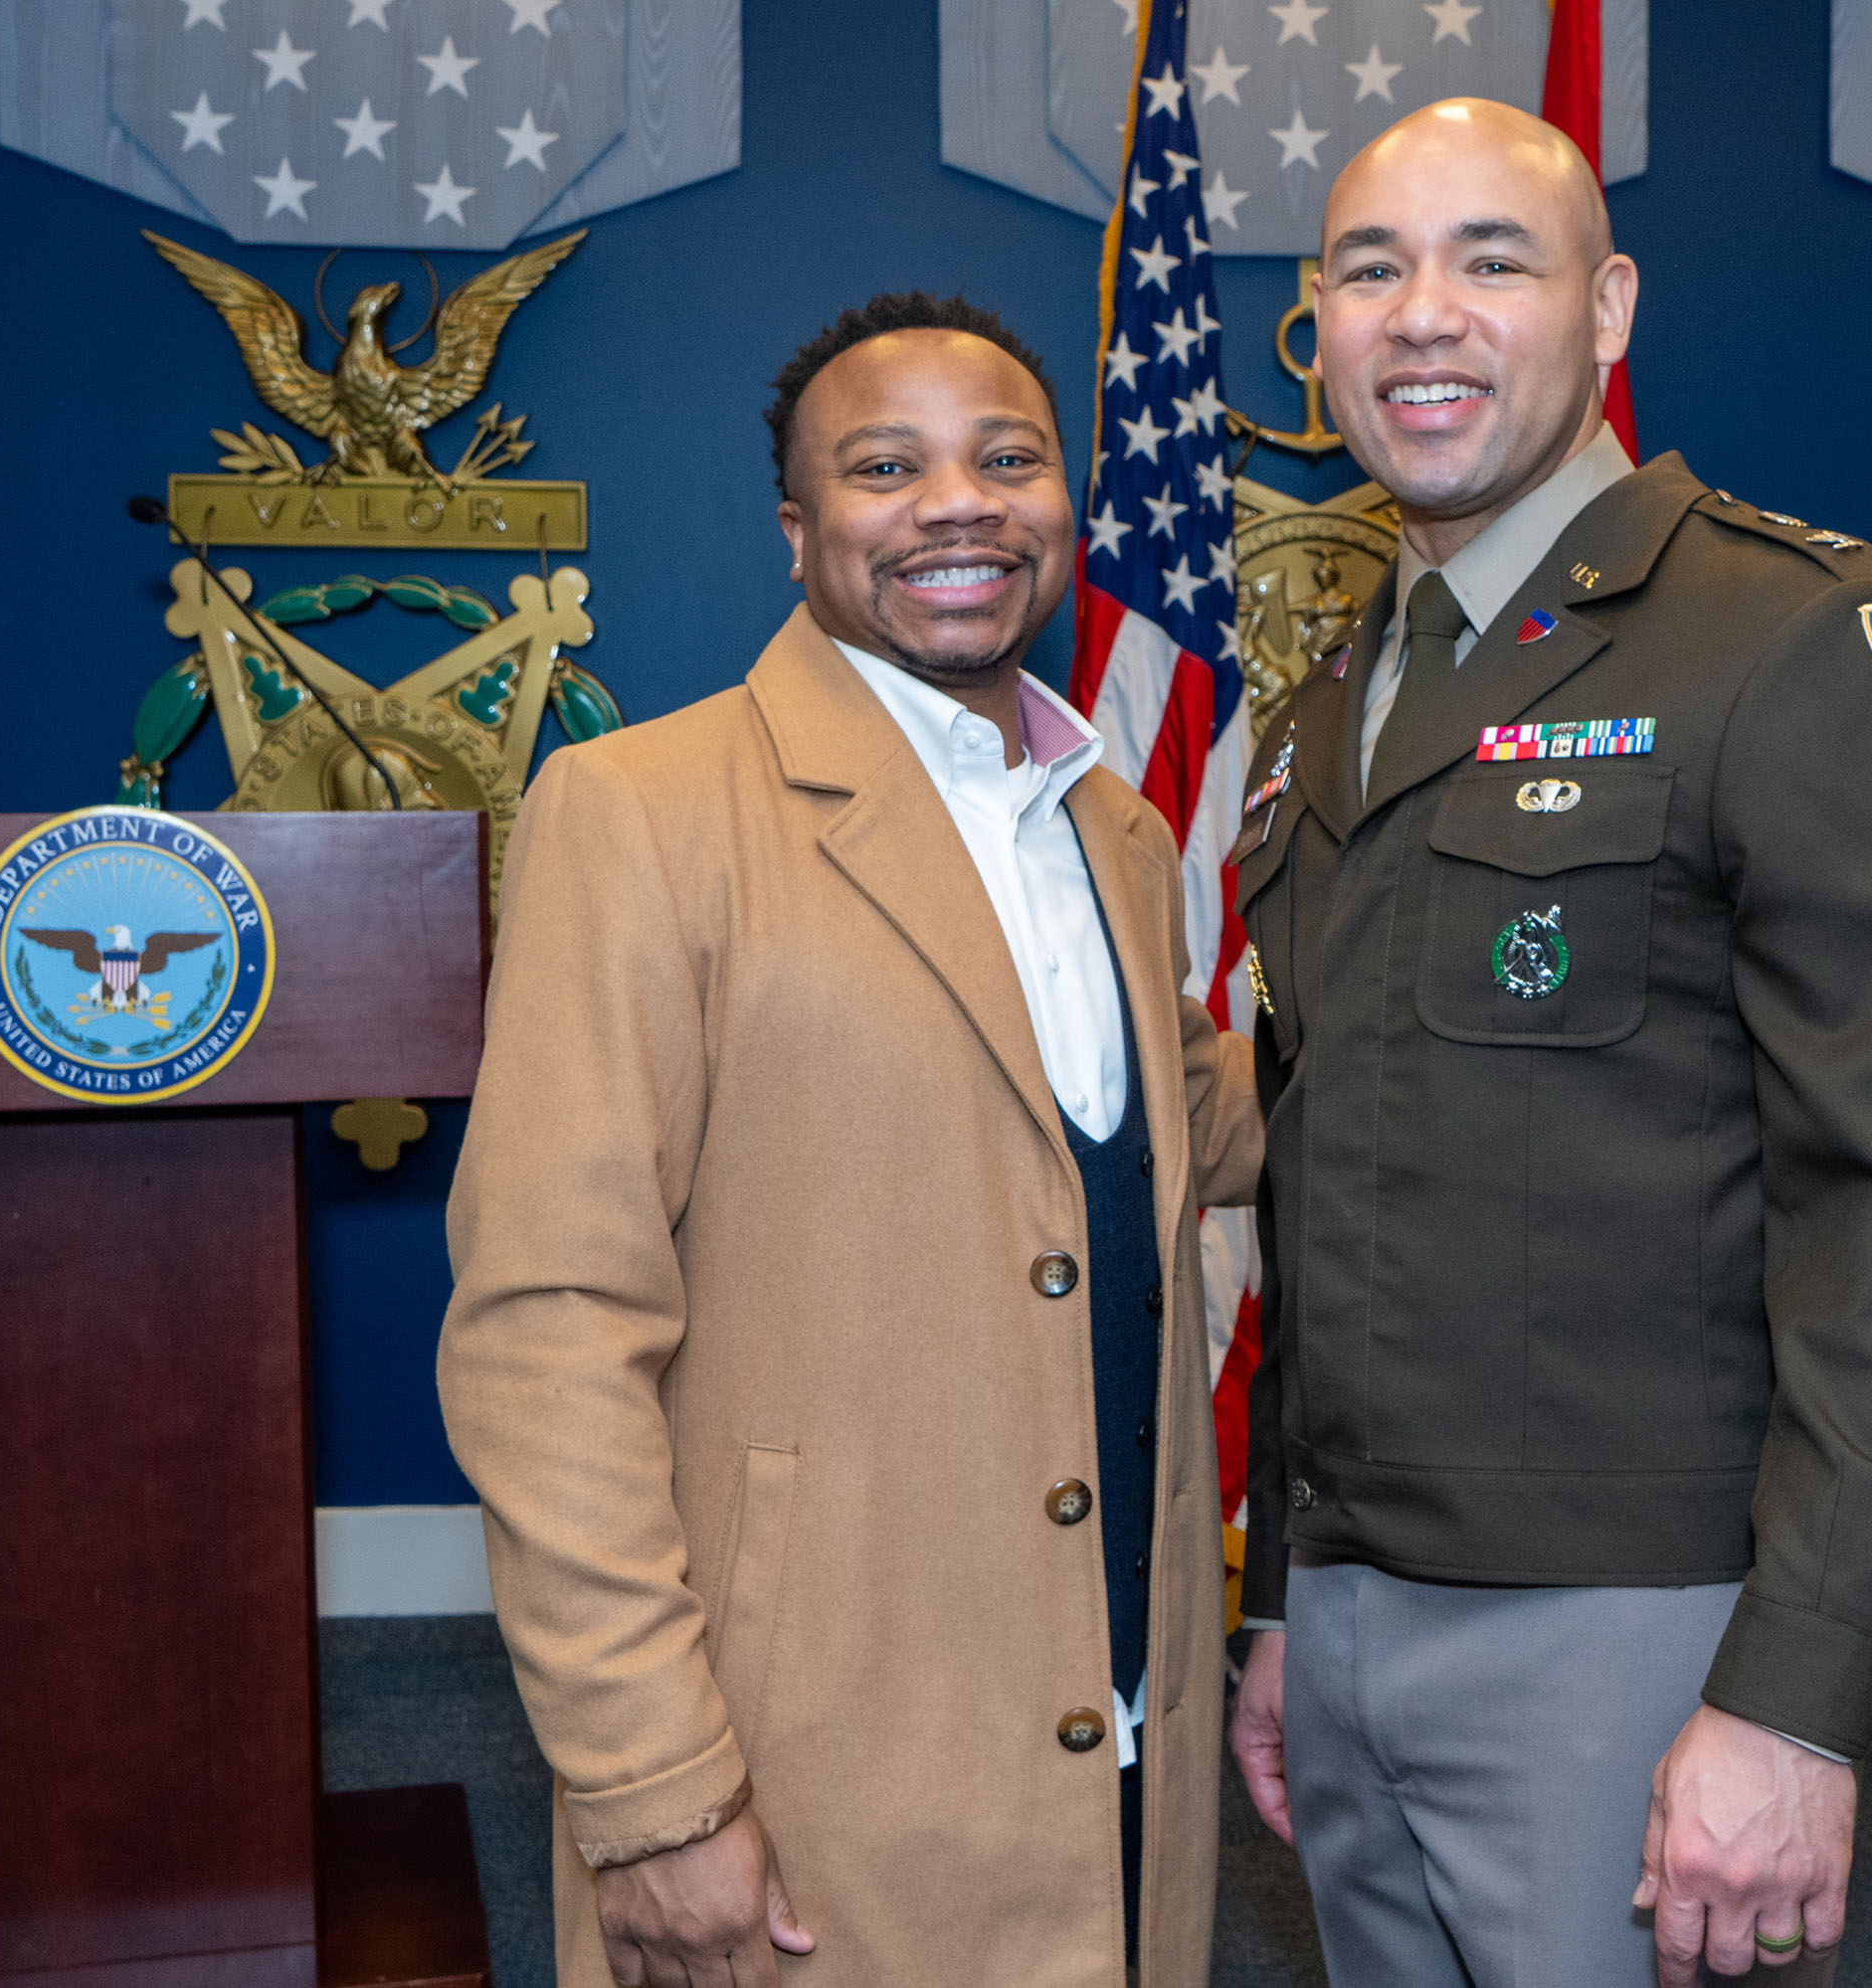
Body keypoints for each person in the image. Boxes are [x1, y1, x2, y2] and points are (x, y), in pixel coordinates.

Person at [1221, 101, 1872, 1986]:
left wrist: (1801, 1697)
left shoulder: (1791, 642)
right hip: (1346, 1613)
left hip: (1639, 1636)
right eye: (1369, 270)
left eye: (1490, 259)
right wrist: (1282, 1599)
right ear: (1316, 332)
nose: (1423, 313)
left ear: (1609, 307)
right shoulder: (1328, 702)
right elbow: (1326, 1188)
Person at [440, 291, 1263, 1988]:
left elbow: (1185, 1125)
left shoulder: (1113, 829)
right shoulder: (643, 814)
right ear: (798, 530)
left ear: (1066, 506)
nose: (959, 504)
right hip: (816, 1759)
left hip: (1123, 1714)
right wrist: (651, 1791)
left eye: (1008, 460)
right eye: (887, 469)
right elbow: (547, 1331)